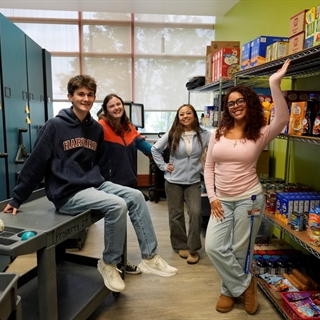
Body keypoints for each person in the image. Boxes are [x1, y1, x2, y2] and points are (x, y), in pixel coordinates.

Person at [3, 74, 178, 293]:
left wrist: (111, 186)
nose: (86, 98)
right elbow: (36, 162)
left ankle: (150, 257)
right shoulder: (55, 126)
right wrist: (18, 197)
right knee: (117, 205)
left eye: (90, 94)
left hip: (92, 185)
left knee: (135, 196)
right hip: (66, 192)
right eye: (81, 94)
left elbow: (101, 162)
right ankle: (109, 262)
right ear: (70, 96)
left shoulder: (95, 129)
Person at [203, 59, 291, 315]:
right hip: (221, 200)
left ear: (249, 103)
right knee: (213, 247)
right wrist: (212, 197)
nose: (235, 106)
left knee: (241, 249)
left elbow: (284, 117)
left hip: (248, 200)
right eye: (230, 103)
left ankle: (227, 290)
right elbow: (208, 168)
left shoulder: (261, 132)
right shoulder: (217, 133)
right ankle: (245, 285)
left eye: (240, 101)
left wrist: (274, 83)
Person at [98, 93, 152, 275]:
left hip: (128, 180)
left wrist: (163, 156)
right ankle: (113, 262)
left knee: (124, 224)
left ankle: (121, 261)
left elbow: (145, 147)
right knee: (115, 223)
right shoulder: (100, 127)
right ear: (106, 110)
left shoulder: (128, 127)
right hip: (111, 182)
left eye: (118, 104)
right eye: (111, 105)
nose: (116, 108)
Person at [151, 104, 211, 264]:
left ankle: (193, 248)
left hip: (193, 181)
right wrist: (164, 166)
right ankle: (180, 245)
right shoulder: (172, 134)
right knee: (175, 215)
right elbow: (154, 149)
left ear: (194, 115)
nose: (185, 116)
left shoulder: (205, 135)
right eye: (181, 114)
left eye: (188, 113)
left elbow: (214, 152)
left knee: (196, 213)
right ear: (178, 117)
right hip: (173, 182)